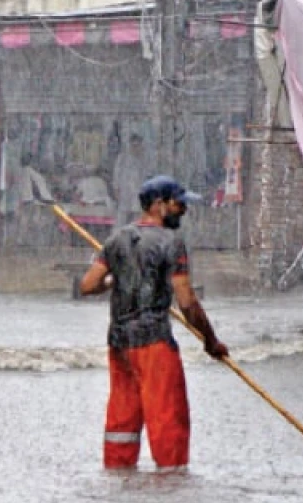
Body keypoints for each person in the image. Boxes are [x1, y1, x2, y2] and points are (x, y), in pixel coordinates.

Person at [78, 175, 229, 470]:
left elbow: (87, 285)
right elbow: (186, 301)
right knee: (167, 418)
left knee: (122, 418)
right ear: (159, 205)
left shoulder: (117, 239)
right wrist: (210, 341)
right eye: (179, 204)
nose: (183, 210)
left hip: (119, 344)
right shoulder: (171, 243)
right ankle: (171, 485)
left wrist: (113, 280)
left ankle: (118, 476)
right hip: (154, 343)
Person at [111, 134, 149, 226]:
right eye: (134, 145)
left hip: (137, 194)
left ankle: (134, 237)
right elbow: (116, 175)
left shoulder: (143, 160)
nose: (136, 148)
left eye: (138, 146)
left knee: (136, 219)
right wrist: (116, 189)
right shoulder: (122, 158)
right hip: (125, 193)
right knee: (122, 218)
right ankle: (119, 237)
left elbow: (145, 177)